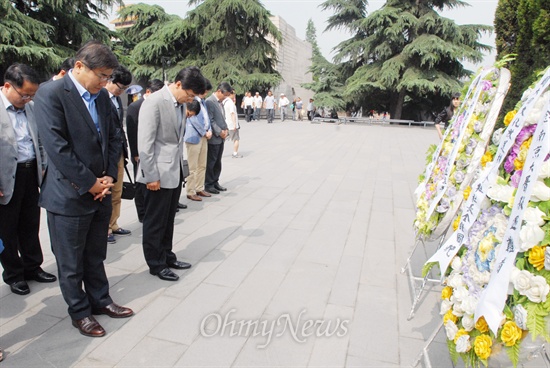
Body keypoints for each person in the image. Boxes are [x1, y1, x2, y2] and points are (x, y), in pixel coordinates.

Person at [34, 41, 134, 338]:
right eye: (101, 76)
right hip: (69, 195)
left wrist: (106, 178)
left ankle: (101, 299)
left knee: (95, 254)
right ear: (79, 67)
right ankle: (79, 311)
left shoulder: (102, 97)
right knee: (70, 261)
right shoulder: (51, 94)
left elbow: (115, 135)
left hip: (101, 190)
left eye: (108, 77)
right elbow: (57, 148)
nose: (105, 83)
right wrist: (90, 183)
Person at [137, 66, 206, 282]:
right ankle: (156, 264)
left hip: (174, 172)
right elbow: (145, 143)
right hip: (156, 174)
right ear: (178, 84)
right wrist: (151, 176)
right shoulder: (154, 102)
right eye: (189, 94)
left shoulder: (179, 104)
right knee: (155, 222)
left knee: (168, 220)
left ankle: (167, 256)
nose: (190, 99)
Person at [0, 63, 57, 296]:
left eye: (32, 95)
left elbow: (40, 140)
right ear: (7, 86)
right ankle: (14, 274)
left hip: (30, 172)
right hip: (5, 178)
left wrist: (43, 168)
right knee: (6, 228)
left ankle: (33, 266)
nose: (28, 99)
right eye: (24, 94)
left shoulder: (30, 108)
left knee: (30, 223)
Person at [126, 79, 164, 222]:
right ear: (148, 92)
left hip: (153, 151)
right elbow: (132, 131)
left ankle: (151, 210)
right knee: (140, 185)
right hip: (139, 153)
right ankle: (142, 213)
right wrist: (135, 153)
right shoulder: (135, 107)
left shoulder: (158, 104)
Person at [105, 65, 132, 244]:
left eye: (124, 89)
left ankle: (114, 223)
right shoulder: (100, 98)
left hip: (119, 151)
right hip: (106, 154)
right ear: (110, 80)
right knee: (107, 192)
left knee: (117, 190)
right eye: (120, 87)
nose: (121, 91)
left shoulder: (115, 100)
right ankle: (105, 228)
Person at [184, 80, 213, 202]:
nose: (206, 93)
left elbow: (207, 118)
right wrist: (204, 132)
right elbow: (193, 119)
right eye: (205, 91)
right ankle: (190, 190)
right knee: (193, 166)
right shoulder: (193, 101)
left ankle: (199, 187)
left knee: (202, 164)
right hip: (194, 136)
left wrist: (209, 130)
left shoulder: (203, 102)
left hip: (204, 136)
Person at [205, 82, 232, 194]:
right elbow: (210, 120)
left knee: (218, 161)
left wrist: (225, 130)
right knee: (211, 162)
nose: (225, 97)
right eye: (225, 95)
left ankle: (215, 181)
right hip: (214, 138)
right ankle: (209, 184)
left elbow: (221, 118)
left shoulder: (219, 102)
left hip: (221, 137)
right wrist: (220, 132)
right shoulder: (210, 102)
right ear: (219, 91)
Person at [224, 89, 242, 158]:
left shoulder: (225, 102)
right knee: (236, 139)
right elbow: (232, 113)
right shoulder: (230, 103)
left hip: (227, 123)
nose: (234, 95)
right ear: (231, 94)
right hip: (232, 124)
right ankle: (235, 153)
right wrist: (235, 124)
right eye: (234, 93)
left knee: (224, 139)